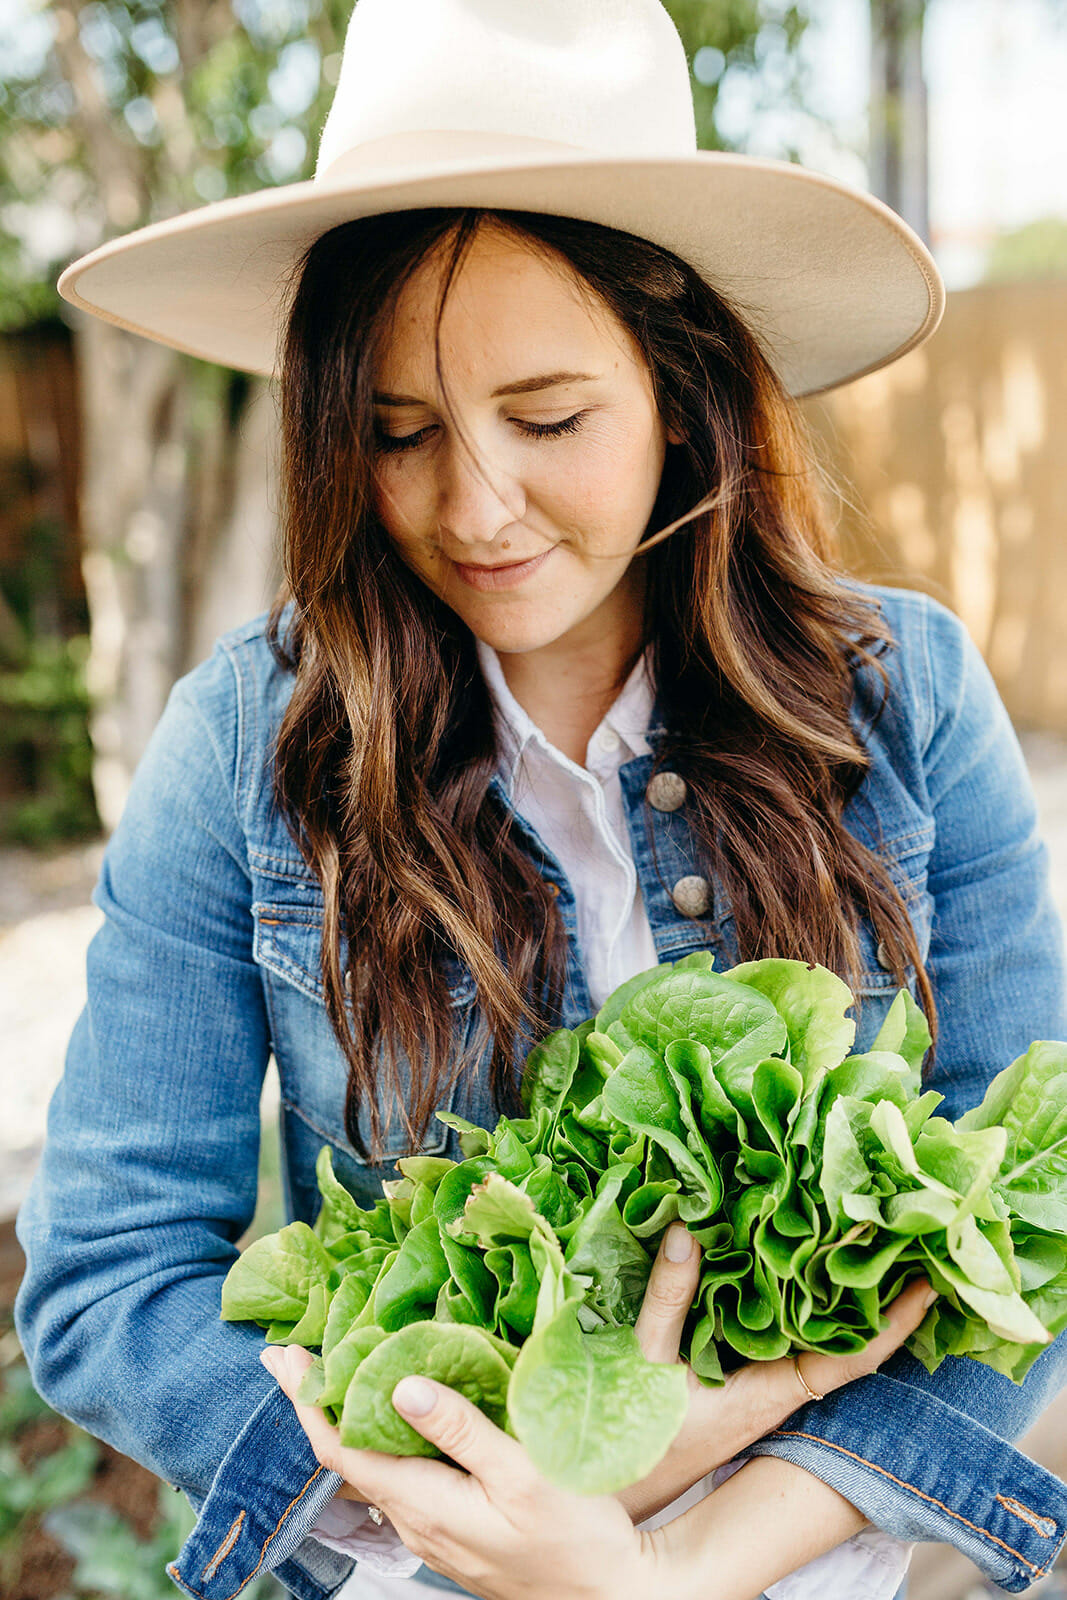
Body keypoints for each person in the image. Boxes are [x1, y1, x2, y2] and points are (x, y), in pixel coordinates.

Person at [15, 1, 1067, 1598]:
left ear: (681, 387)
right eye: (401, 434)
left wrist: (678, 1562)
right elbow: (105, 1278)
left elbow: (1033, 1208)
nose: (474, 506)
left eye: (550, 419)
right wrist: (471, 1521)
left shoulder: (905, 701)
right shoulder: (246, 743)